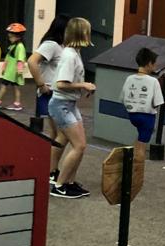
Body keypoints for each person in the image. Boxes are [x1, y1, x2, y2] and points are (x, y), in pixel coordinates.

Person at [48, 17, 95, 199]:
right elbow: (60, 84)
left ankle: (69, 181)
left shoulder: (74, 53)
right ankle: (59, 186)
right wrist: (83, 85)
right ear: (82, 33)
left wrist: (83, 85)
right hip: (61, 105)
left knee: (79, 145)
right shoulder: (69, 56)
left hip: (70, 104)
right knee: (79, 146)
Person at [27, 14, 70, 183]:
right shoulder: (51, 45)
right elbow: (32, 61)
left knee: (55, 133)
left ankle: (50, 169)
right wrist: (41, 84)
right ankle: (51, 171)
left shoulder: (60, 46)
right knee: (63, 134)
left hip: (56, 94)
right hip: (51, 94)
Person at [120, 47, 164, 165]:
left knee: (140, 138)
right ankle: (137, 170)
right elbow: (158, 102)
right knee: (143, 146)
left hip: (132, 115)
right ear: (149, 63)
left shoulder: (129, 79)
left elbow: (122, 99)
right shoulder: (153, 81)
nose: (155, 67)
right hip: (147, 117)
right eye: (154, 64)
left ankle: (131, 160)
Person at [0, 23, 28, 111]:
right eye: (9, 37)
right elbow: (8, 58)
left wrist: (19, 70)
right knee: (15, 87)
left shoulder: (20, 47)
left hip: (13, 72)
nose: (10, 39)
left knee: (4, 85)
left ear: (18, 37)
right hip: (10, 71)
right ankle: (17, 103)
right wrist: (4, 67)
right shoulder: (12, 46)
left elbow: (21, 59)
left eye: (11, 37)